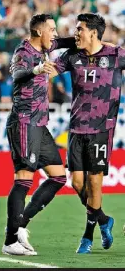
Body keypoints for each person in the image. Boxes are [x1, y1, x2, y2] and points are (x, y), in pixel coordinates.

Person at [46, 13, 125, 253]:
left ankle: (88, 237)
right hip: (77, 127)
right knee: (78, 182)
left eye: (80, 29)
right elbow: (50, 68)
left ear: (93, 32)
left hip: (102, 128)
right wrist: (35, 70)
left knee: (94, 182)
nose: (76, 33)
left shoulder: (115, 55)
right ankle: (103, 219)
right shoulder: (73, 56)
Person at [2, 14, 77, 256]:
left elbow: (65, 42)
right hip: (24, 123)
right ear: (38, 32)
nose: (55, 34)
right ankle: (10, 240)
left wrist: (87, 39)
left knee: (57, 176)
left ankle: (20, 224)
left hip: (40, 125)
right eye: (51, 29)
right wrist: (36, 68)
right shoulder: (24, 51)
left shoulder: (46, 44)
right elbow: (18, 75)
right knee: (23, 179)